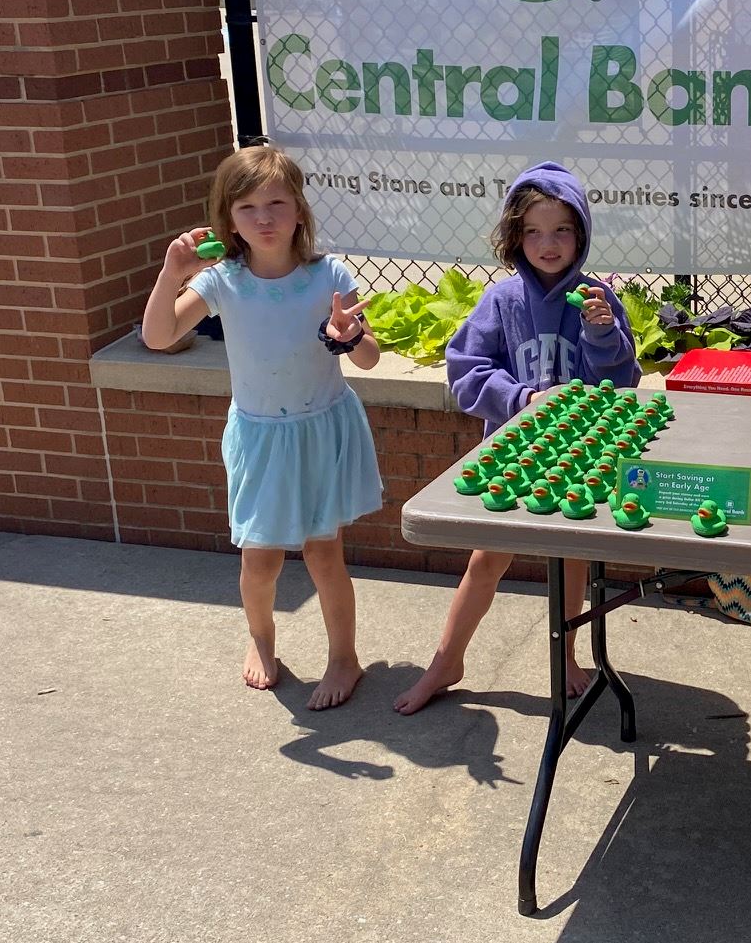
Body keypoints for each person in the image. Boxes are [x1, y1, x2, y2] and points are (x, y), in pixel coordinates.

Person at [141, 144, 385, 709]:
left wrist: (350, 337)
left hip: (321, 430)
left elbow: (368, 357)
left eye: (277, 202)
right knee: (261, 559)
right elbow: (157, 337)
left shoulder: (329, 276)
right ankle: (262, 642)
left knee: (326, 555)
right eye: (248, 207)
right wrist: (173, 272)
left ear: (300, 210)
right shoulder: (223, 281)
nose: (265, 217)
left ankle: (344, 658)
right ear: (228, 218)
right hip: (259, 437)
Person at [395, 162, 640, 715]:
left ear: (580, 235)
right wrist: (519, 399)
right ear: (514, 235)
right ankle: (447, 660)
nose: (547, 244)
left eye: (561, 231)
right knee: (487, 559)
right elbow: (464, 371)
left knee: (572, 559)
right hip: (516, 458)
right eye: (533, 231)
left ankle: (569, 655)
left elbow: (622, 383)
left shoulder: (598, 298)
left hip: (583, 456)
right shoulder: (501, 301)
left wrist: (603, 333)